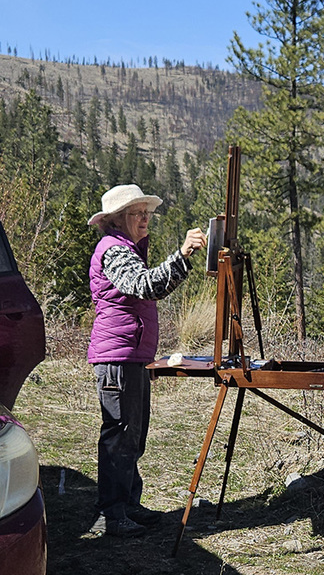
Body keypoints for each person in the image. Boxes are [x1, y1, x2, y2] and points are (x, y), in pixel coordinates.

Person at [86, 183, 207, 538]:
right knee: (120, 436)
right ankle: (113, 514)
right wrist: (182, 255)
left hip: (130, 356)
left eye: (146, 213)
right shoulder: (115, 250)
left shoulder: (126, 248)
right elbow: (145, 285)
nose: (144, 219)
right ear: (118, 219)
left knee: (132, 437)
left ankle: (127, 505)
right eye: (137, 213)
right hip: (118, 357)